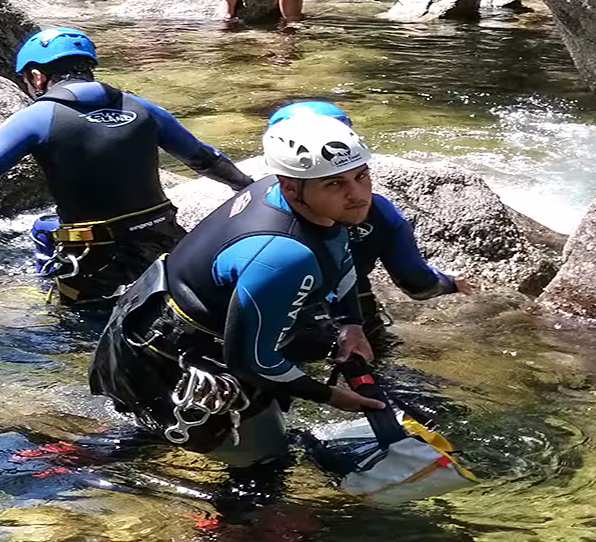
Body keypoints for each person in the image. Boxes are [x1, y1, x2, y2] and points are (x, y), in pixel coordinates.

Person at [88, 111, 386, 473]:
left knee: (239, 431)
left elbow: (338, 255)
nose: (358, 195)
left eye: (362, 176)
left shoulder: (296, 198)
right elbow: (252, 361)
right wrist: (335, 398)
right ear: (291, 186)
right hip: (163, 354)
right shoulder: (283, 254)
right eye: (335, 184)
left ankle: (93, 452)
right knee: (265, 465)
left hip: (159, 316)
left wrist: (351, 325)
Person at [0, 28, 258, 303]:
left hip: (94, 255)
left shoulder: (38, 117)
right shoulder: (141, 106)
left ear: (37, 77)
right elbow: (203, 158)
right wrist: (246, 186)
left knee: (77, 321)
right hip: (165, 240)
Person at [260, 102, 476, 345]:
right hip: (352, 314)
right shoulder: (378, 213)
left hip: (272, 320)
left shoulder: (260, 208)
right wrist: (448, 283)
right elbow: (416, 282)